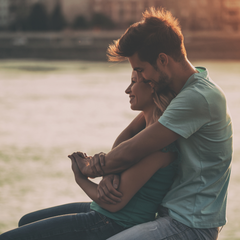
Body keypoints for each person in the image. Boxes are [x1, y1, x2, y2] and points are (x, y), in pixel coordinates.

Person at [74, 7, 233, 240]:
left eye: (140, 69)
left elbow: (134, 149)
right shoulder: (178, 90)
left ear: (162, 60)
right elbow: (129, 134)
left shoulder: (198, 98)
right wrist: (109, 172)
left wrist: (86, 169)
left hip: (190, 224)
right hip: (169, 215)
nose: (142, 78)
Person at [0, 71, 178, 240]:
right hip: (103, 212)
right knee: (25, 221)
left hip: (114, 222)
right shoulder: (148, 124)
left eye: (133, 82)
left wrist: (80, 177)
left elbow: (114, 203)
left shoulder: (157, 145)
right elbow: (126, 135)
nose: (127, 89)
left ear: (152, 86)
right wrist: (110, 171)